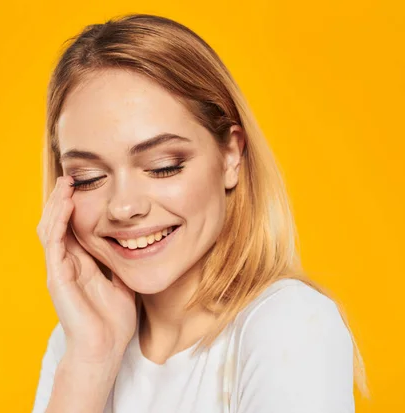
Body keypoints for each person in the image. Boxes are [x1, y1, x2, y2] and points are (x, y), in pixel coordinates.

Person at [32, 13, 368, 413]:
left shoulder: (289, 326)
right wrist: (90, 361)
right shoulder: (79, 340)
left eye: (164, 166)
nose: (124, 207)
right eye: (88, 177)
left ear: (230, 154)